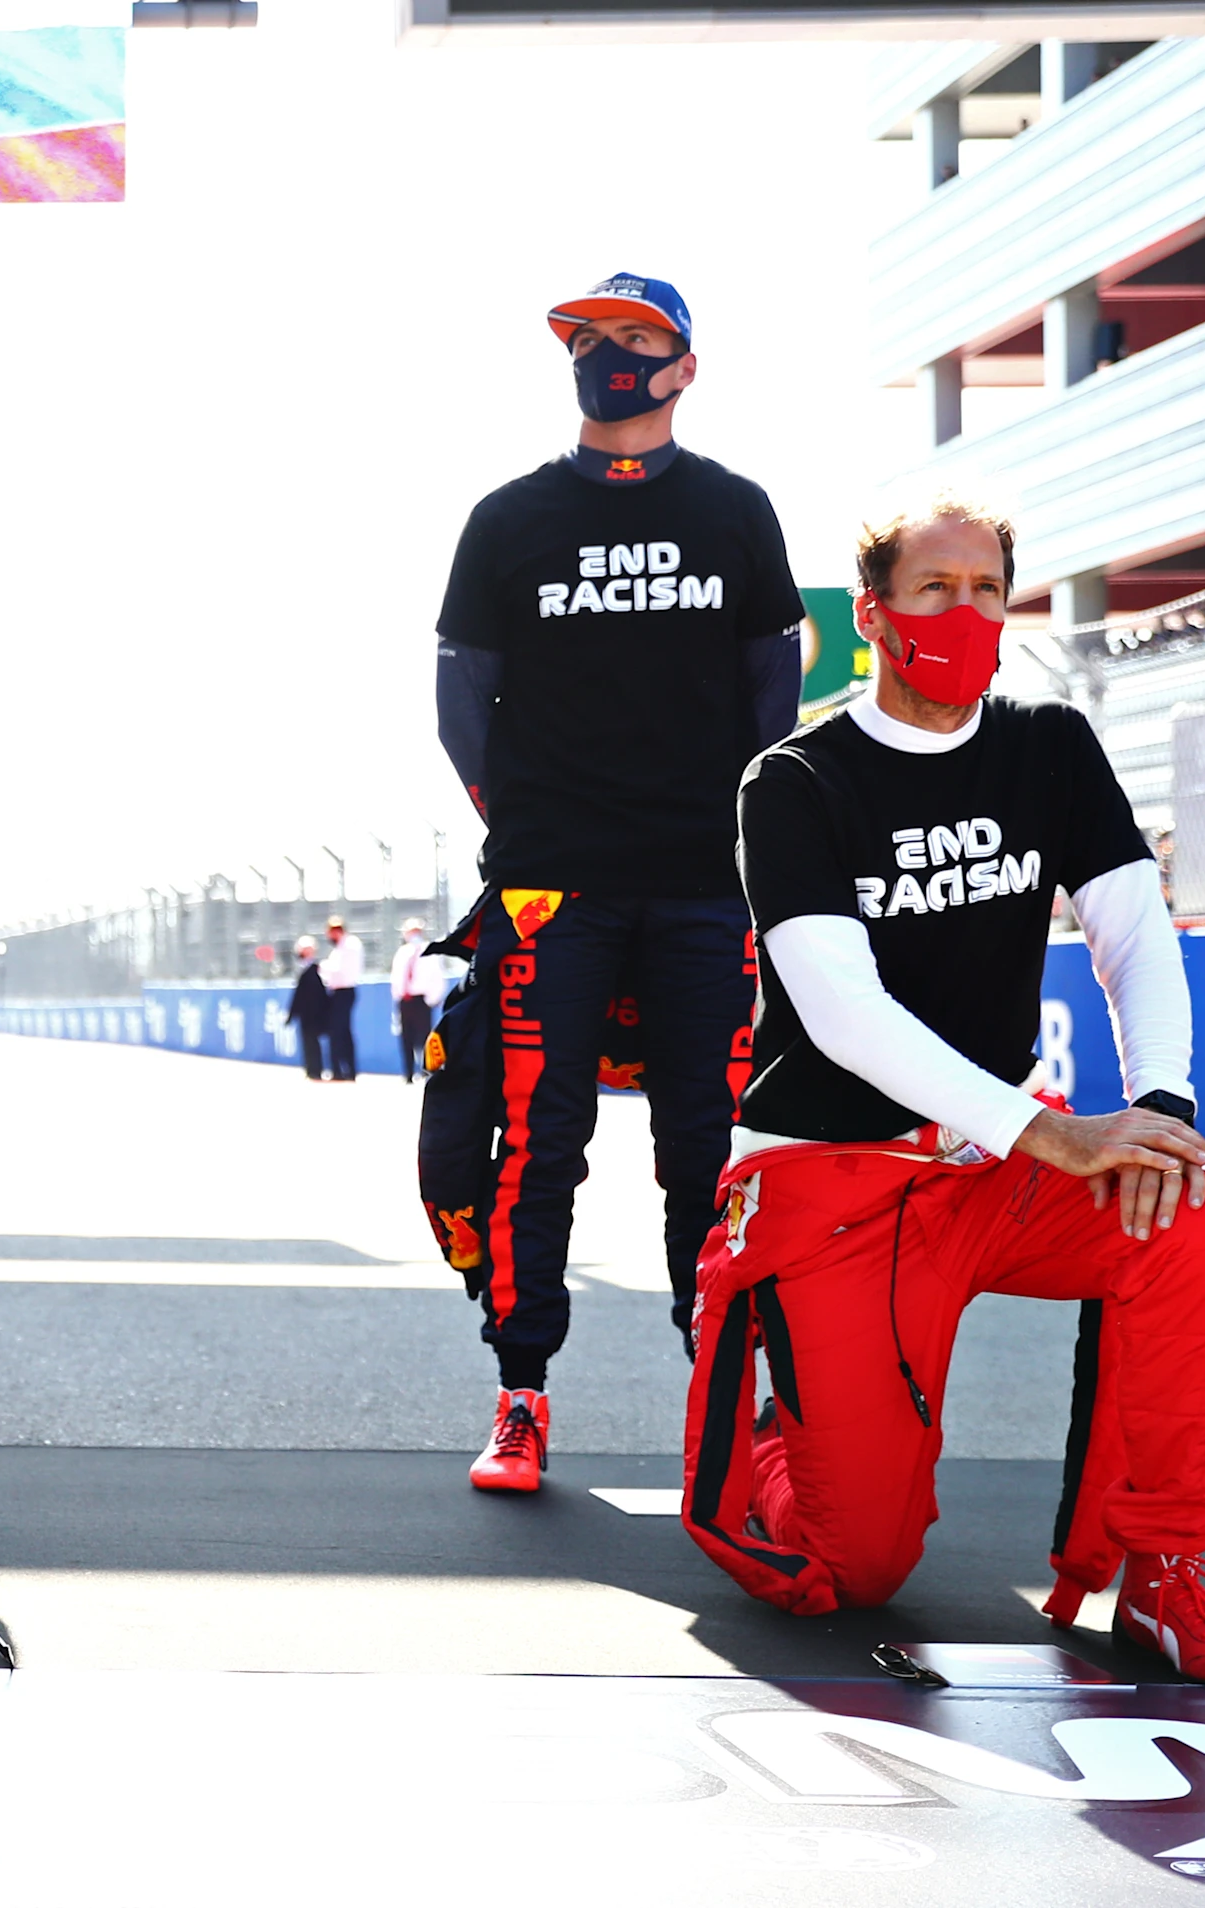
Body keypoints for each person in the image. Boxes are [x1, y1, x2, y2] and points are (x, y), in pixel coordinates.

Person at [681, 494, 1205, 1685]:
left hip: (987, 1169)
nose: (964, 612)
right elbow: (841, 1014)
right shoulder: (792, 779)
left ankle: (1159, 1573)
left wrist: (1161, 1108)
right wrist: (1043, 1127)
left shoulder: (1047, 744)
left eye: (987, 590)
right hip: (830, 1178)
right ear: (874, 615)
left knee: (1188, 1215)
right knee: (848, 1569)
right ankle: (771, 1424)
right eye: (933, 589)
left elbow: (1132, 936)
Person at [431, 272, 806, 1494]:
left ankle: (722, 1391)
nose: (606, 357)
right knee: (537, 1144)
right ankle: (520, 1392)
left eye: (633, 340)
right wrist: (530, 827)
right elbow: (458, 706)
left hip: (704, 886)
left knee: (706, 1151)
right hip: (550, 888)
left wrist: (720, 828)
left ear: (683, 364)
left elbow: (770, 702)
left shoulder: (738, 513)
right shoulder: (504, 519)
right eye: (588, 340)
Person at [391, 918, 445, 1085]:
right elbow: (396, 977)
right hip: (405, 1000)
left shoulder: (429, 951)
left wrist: (431, 1000)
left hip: (421, 1000)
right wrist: (398, 996)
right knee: (406, 1037)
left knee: (425, 1037)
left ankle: (426, 1072)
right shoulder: (402, 953)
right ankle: (407, 1073)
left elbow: (437, 978)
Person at [315, 915, 365, 1082]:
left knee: (339, 1032)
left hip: (344, 992)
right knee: (341, 1032)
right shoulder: (340, 948)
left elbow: (338, 971)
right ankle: (344, 1069)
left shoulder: (349, 945)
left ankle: (341, 1070)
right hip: (338, 992)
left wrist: (323, 967)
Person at [288, 936, 327, 1082]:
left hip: (314, 1014)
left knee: (312, 1042)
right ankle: (311, 1068)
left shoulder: (315, 969)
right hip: (306, 1014)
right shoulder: (303, 968)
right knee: (307, 1042)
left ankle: (315, 1069)